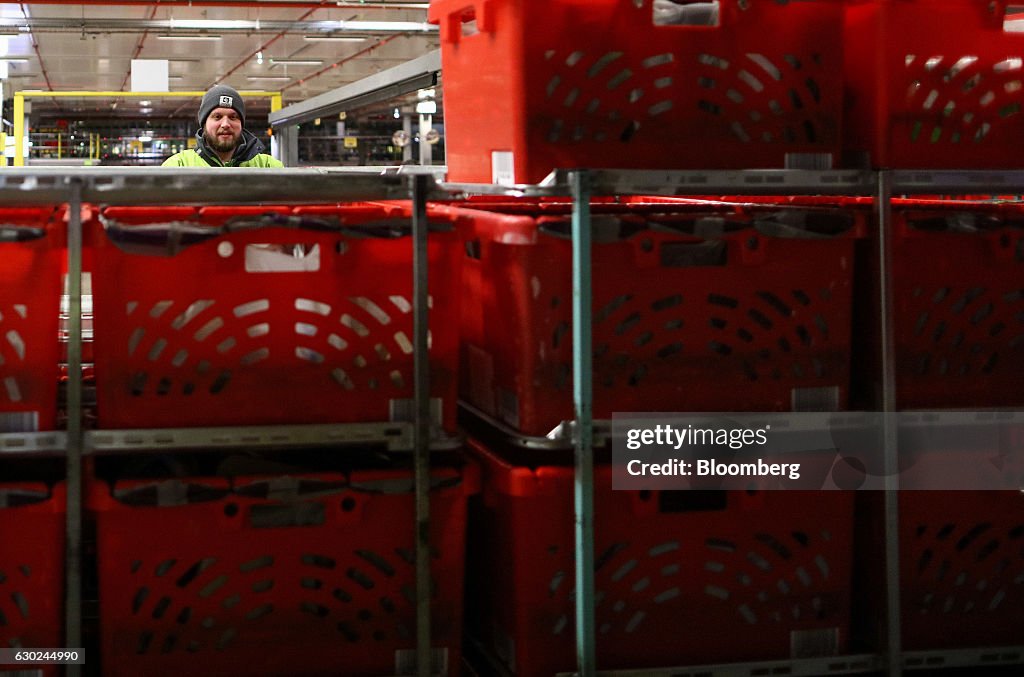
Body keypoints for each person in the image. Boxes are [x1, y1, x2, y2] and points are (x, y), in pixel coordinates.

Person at [162, 85, 283, 167]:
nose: (225, 124)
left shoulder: (267, 166)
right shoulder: (179, 165)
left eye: (233, 117)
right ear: (204, 123)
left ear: (241, 124)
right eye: (217, 117)